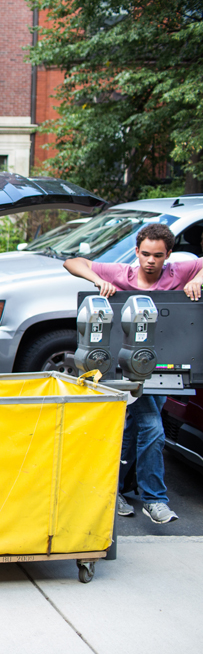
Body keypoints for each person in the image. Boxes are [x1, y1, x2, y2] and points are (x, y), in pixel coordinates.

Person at [64, 222, 203, 524]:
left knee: (132, 430)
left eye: (158, 255)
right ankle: (155, 500)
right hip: (126, 366)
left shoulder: (176, 272)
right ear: (137, 252)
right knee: (151, 425)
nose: (151, 261)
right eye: (145, 254)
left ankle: (111, 490)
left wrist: (198, 279)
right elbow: (72, 262)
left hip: (162, 366)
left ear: (168, 256)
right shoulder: (121, 274)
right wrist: (97, 280)